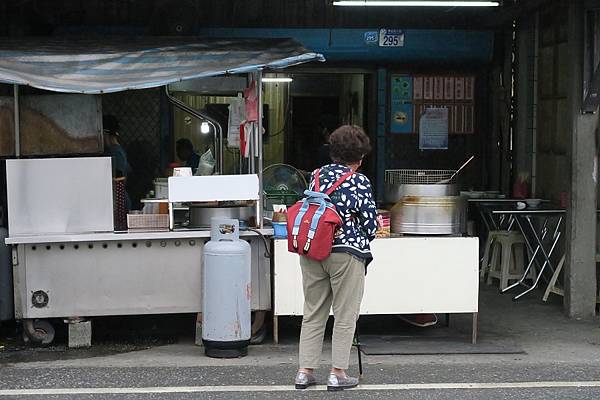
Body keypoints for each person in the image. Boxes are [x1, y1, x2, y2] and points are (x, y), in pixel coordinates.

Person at [295, 125, 377, 392]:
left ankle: (305, 371)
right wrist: (367, 233)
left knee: (313, 311)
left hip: (313, 249)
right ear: (360, 156)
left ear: (333, 152)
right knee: (344, 314)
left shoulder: (316, 176)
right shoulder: (359, 181)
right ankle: (338, 373)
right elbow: (369, 224)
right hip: (347, 252)